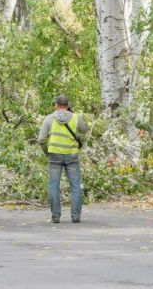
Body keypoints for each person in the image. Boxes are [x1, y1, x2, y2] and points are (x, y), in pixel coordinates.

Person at [37, 94, 89, 223]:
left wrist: (47, 152)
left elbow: (41, 139)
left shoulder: (49, 119)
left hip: (54, 156)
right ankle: (75, 217)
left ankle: (56, 216)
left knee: (53, 185)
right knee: (75, 186)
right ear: (68, 105)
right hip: (72, 155)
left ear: (56, 105)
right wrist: (73, 115)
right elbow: (85, 129)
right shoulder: (75, 118)